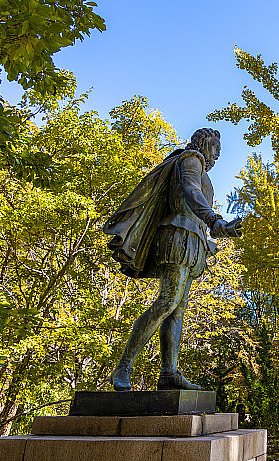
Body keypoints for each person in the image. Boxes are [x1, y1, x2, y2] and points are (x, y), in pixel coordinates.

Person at [103, 128, 242, 391]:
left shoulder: (201, 169)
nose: (217, 156)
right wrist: (214, 221)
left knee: (177, 309)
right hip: (178, 235)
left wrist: (210, 235)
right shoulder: (191, 159)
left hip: (193, 240)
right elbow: (190, 192)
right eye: (215, 149)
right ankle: (124, 366)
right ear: (204, 144)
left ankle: (169, 373)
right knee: (167, 302)